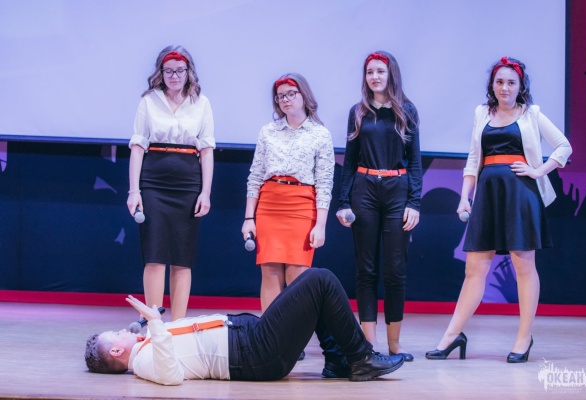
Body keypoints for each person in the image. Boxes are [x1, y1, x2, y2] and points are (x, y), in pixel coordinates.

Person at [426, 56, 572, 363]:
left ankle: (523, 338)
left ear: (520, 86)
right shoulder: (482, 112)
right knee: (474, 268)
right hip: (488, 194)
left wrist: (538, 171)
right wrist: (464, 197)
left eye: (511, 82)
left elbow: (564, 146)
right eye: (500, 81)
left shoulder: (531, 113)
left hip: (521, 194)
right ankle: (451, 336)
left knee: (523, 266)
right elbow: (473, 158)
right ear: (492, 85)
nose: (505, 87)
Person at [84, 269, 405, 384]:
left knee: (312, 288)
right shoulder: (142, 362)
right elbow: (170, 376)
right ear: (117, 351)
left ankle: (337, 361)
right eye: (118, 335)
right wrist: (156, 324)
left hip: (251, 340)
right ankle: (361, 358)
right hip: (255, 354)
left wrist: (157, 327)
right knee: (320, 280)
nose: (124, 331)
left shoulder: (146, 349)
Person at [336, 51, 422, 361]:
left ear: (391, 75)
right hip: (365, 189)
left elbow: (415, 161)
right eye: (370, 71)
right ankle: (369, 347)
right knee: (366, 269)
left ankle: (395, 346)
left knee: (395, 270)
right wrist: (343, 201)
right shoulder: (358, 112)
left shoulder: (407, 111)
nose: (374, 76)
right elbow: (349, 161)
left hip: (397, 190)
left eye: (380, 71)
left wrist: (414, 202)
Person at [127, 45, 215, 321]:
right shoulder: (148, 101)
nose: (174, 76)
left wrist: (206, 192)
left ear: (189, 72)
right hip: (153, 181)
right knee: (154, 254)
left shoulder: (201, 103)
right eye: (168, 71)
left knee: (182, 257)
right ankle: (154, 323)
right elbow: (138, 147)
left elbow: (207, 150)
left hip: (188, 183)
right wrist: (134, 191)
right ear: (160, 73)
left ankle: (177, 327)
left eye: (179, 71)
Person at [241, 73, 335, 312]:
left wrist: (321, 225)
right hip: (269, 205)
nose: (285, 99)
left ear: (304, 95)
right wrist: (249, 218)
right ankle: (270, 332)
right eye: (280, 96)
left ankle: (295, 332)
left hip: (302, 207)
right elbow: (255, 176)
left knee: (298, 277)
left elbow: (325, 183)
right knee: (270, 273)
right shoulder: (268, 131)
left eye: (290, 94)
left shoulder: (320, 134)